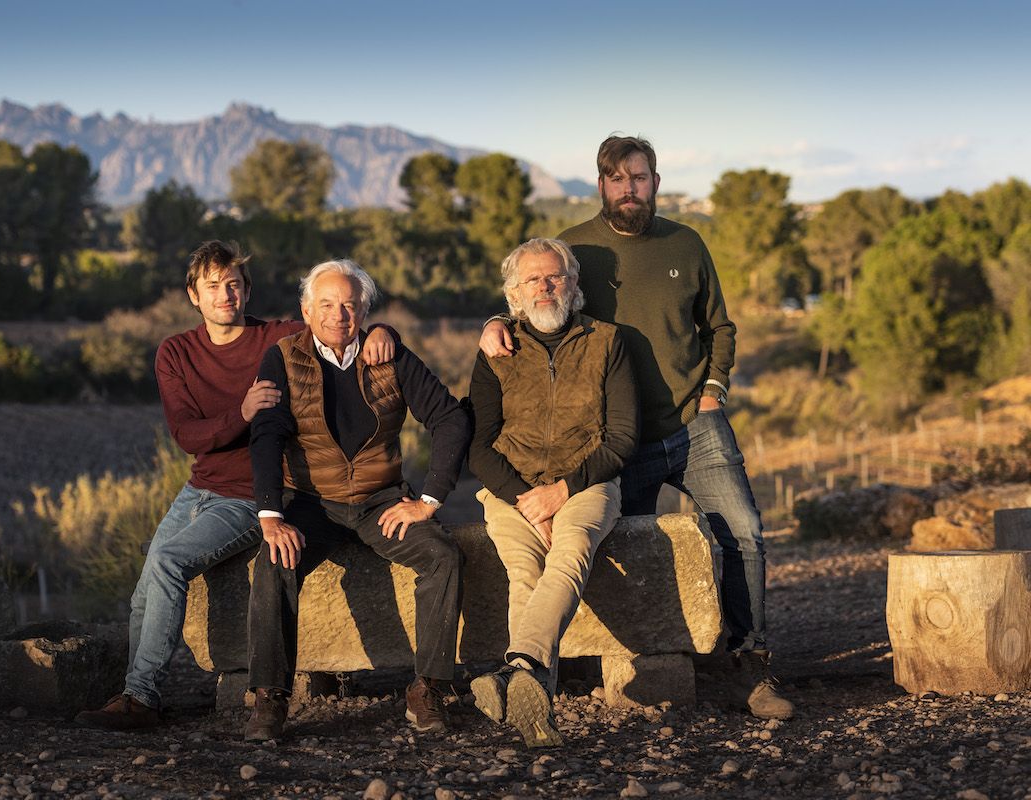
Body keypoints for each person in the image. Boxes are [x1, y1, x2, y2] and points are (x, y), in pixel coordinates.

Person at [481, 135, 793, 719]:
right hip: (612, 438)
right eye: (618, 179)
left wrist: (714, 389)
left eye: (641, 178)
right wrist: (496, 319)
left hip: (693, 425)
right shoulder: (576, 248)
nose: (630, 189)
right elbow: (535, 296)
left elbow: (718, 327)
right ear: (601, 184)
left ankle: (750, 668)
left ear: (655, 181)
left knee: (744, 532)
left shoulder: (686, 242)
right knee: (604, 547)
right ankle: (615, 664)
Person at [75, 241, 395, 730]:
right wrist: (242, 413)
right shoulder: (176, 352)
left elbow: (338, 322)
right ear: (193, 296)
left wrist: (383, 331)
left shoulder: (279, 338)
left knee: (168, 560)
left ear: (247, 291)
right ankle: (132, 691)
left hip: (255, 495)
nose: (225, 295)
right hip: (198, 488)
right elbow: (188, 435)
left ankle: (141, 698)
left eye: (234, 285)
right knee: (145, 590)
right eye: (213, 287)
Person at [244, 259, 470, 741]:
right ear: (306, 310)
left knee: (442, 556)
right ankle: (269, 698)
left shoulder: (388, 354)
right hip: (311, 501)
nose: (338, 314)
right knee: (272, 561)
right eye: (325, 304)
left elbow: (450, 419)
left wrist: (428, 500)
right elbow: (265, 433)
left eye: (349, 304)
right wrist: (270, 515)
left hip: (379, 501)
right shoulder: (281, 358)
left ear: (363, 309)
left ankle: (427, 688)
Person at [468, 238, 638, 747]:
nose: (544, 287)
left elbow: (623, 436)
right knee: (524, 573)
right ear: (513, 294)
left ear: (574, 283)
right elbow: (478, 444)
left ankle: (518, 669)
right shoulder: (495, 350)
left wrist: (561, 492)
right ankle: (533, 703)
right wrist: (526, 497)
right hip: (509, 489)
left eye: (555, 276)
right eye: (532, 280)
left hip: (588, 481)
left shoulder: (608, 341)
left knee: (570, 552)